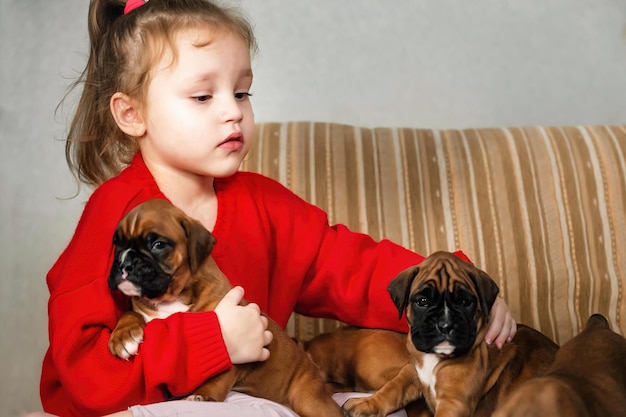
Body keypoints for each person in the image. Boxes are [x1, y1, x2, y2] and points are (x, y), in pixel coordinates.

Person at [35, 0, 517, 416]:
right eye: (203, 96)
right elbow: (84, 371)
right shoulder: (112, 213)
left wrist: (464, 286)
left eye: (241, 92)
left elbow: (352, 265)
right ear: (132, 114)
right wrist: (212, 342)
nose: (232, 111)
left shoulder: (264, 203)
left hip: (245, 397)